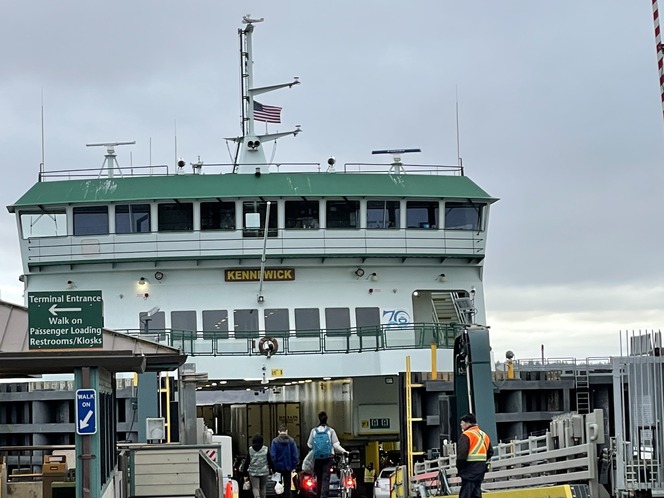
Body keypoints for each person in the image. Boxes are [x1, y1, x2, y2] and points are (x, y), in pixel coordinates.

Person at [307, 411, 347, 498]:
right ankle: (324, 495)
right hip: (328, 458)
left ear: (319, 419)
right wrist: (344, 451)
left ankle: (318, 495)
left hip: (317, 458)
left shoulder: (314, 431)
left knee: (319, 478)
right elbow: (336, 445)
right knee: (326, 478)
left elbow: (309, 445)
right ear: (326, 419)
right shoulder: (330, 431)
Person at [456, 413, 493, 498]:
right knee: (476, 492)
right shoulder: (484, 435)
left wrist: (460, 468)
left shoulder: (467, 435)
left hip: (469, 469)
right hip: (480, 469)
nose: (461, 425)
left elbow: (462, 454)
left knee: (466, 494)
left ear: (468, 423)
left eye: (462, 423)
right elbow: (490, 452)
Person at [270, 423, 300, 498]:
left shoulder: (274, 441)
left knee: (278, 487)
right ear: (287, 431)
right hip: (288, 468)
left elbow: (272, 456)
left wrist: (272, 467)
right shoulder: (292, 441)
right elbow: (295, 455)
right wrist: (294, 466)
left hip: (277, 468)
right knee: (287, 486)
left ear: (278, 432)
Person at [246, 433, 274, 498]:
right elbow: (270, 460)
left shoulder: (250, 449)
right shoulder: (265, 449)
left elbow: (247, 461)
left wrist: (245, 472)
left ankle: (257, 497)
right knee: (263, 487)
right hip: (264, 472)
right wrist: (273, 469)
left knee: (255, 488)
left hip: (253, 472)